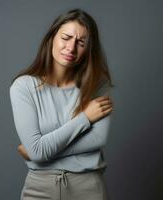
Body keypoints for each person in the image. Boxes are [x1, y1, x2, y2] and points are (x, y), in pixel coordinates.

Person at [9, 8, 114, 200]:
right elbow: (38, 151)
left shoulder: (97, 84)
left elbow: (98, 139)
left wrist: (40, 151)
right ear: (51, 38)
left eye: (81, 43)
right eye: (66, 37)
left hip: (88, 188)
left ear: (88, 50)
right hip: (39, 188)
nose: (71, 48)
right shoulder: (23, 86)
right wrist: (85, 118)